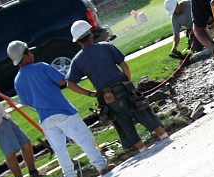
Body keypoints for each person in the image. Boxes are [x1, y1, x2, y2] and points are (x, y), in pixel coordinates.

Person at [9, 41, 112, 177]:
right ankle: (101, 165)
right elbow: (62, 81)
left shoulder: (17, 80)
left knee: (60, 150)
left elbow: (26, 102)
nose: (31, 54)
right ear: (24, 56)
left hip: (45, 119)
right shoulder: (42, 67)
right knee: (83, 138)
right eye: (29, 52)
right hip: (63, 111)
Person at [66, 20, 168, 154]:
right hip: (122, 88)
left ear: (78, 41)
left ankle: (143, 150)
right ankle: (164, 137)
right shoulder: (105, 46)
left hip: (106, 97)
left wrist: (91, 94)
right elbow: (124, 65)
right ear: (91, 35)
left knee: (123, 123)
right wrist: (128, 82)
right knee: (143, 113)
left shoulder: (77, 60)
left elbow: (70, 84)